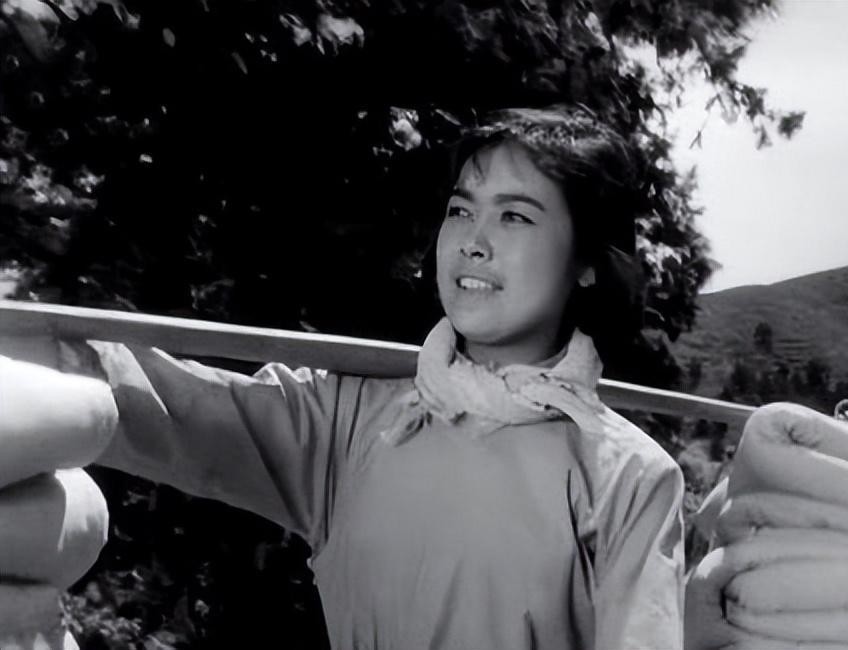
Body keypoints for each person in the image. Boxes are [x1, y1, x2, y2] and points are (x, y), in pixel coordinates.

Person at [0, 104, 685, 649]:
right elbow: (171, 408)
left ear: (587, 262)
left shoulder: (627, 476)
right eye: (460, 209)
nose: (473, 240)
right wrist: (37, 350)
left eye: (514, 215)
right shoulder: (351, 422)